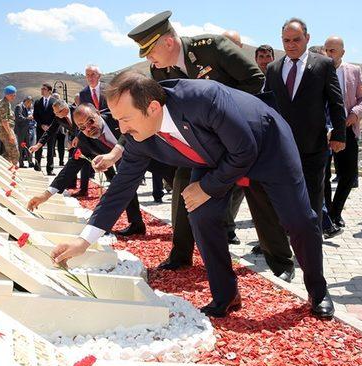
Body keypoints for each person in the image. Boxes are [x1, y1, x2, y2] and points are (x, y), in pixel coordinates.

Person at [51, 72, 334, 319]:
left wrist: (207, 187)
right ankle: (226, 295)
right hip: (213, 157)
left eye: (125, 119)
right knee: (200, 215)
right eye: (118, 120)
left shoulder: (203, 98)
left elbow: (245, 150)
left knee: (297, 220)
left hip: (265, 145)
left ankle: (318, 291)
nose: (122, 130)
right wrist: (83, 240)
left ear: (151, 108)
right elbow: (121, 187)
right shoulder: (138, 138)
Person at [124, 12, 297, 282]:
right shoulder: (159, 71)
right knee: (184, 188)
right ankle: (181, 255)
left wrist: (229, 118)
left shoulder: (212, 48)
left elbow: (253, 79)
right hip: (198, 143)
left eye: (150, 51)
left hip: (240, 136)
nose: (148, 59)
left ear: (168, 43)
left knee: (260, 195)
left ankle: (280, 261)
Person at [265, 18, 346, 228]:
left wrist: (339, 134)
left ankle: (311, 242)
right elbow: (265, 106)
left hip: (313, 146)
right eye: (286, 40)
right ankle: (278, 243)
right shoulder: (273, 68)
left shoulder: (323, 64)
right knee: (280, 196)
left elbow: (336, 101)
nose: (291, 45)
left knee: (312, 198)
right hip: (280, 147)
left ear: (307, 38)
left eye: (296, 39)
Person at [28, 104, 154, 234]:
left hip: (153, 153)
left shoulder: (117, 117)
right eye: (82, 127)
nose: (89, 128)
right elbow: (70, 168)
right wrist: (46, 195)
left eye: (91, 121)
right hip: (122, 162)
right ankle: (136, 224)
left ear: (98, 113)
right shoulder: (84, 139)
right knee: (122, 186)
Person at [323, 36, 362, 228]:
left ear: (343, 52)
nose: (329, 54)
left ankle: (335, 212)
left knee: (348, 174)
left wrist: (355, 114)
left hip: (347, 128)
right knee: (323, 175)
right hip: (323, 130)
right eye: (326, 50)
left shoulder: (354, 71)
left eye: (333, 50)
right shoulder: (318, 69)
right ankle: (325, 216)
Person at [33, 83, 56, 174]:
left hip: (51, 129)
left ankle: (50, 169)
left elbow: (56, 116)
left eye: (44, 89)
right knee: (38, 148)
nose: (42, 90)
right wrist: (41, 125)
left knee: (50, 149)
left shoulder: (54, 101)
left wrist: (50, 126)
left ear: (49, 91)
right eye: (41, 89)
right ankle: (37, 167)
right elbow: (35, 115)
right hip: (40, 128)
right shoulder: (38, 102)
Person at [0, 85, 18, 165]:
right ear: (7, 95)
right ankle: (13, 168)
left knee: (8, 152)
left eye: (14, 95)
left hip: (7, 130)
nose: (14, 97)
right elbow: (4, 121)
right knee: (14, 152)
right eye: (12, 95)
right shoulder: (4, 104)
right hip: (5, 130)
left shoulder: (7, 103)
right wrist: (10, 134)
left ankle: (7, 169)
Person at [15, 96, 35, 168]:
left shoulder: (25, 107)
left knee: (28, 146)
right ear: (27, 101)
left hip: (26, 130)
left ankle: (30, 162)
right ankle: (21, 163)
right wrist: (28, 118)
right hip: (20, 131)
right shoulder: (19, 107)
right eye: (30, 103)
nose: (30, 105)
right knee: (21, 147)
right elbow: (18, 118)